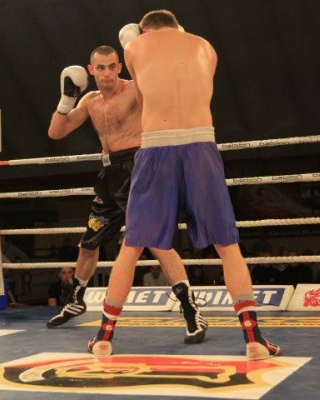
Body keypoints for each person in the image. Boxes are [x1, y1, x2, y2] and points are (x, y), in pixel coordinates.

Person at [87, 10, 280, 360]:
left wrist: (135, 41)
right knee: (228, 246)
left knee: (132, 246)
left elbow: (143, 95)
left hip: (156, 147)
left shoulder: (136, 47)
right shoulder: (206, 47)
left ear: (145, 30)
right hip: (200, 145)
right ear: (176, 26)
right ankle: (254, 340)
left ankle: (103, 338)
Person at [46, 45, 207, 344]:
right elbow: (56, 132)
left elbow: (166, 100)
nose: (107, 73)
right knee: (89, 241)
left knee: (157, 244)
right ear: (91, 70)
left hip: (140, 168)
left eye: (111, 66)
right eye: (100, 68)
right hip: (109, 175)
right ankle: (76, 299)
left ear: (119, 66)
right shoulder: (90, 100)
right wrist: (67, 99)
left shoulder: (136, 89)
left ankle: (191, 309)